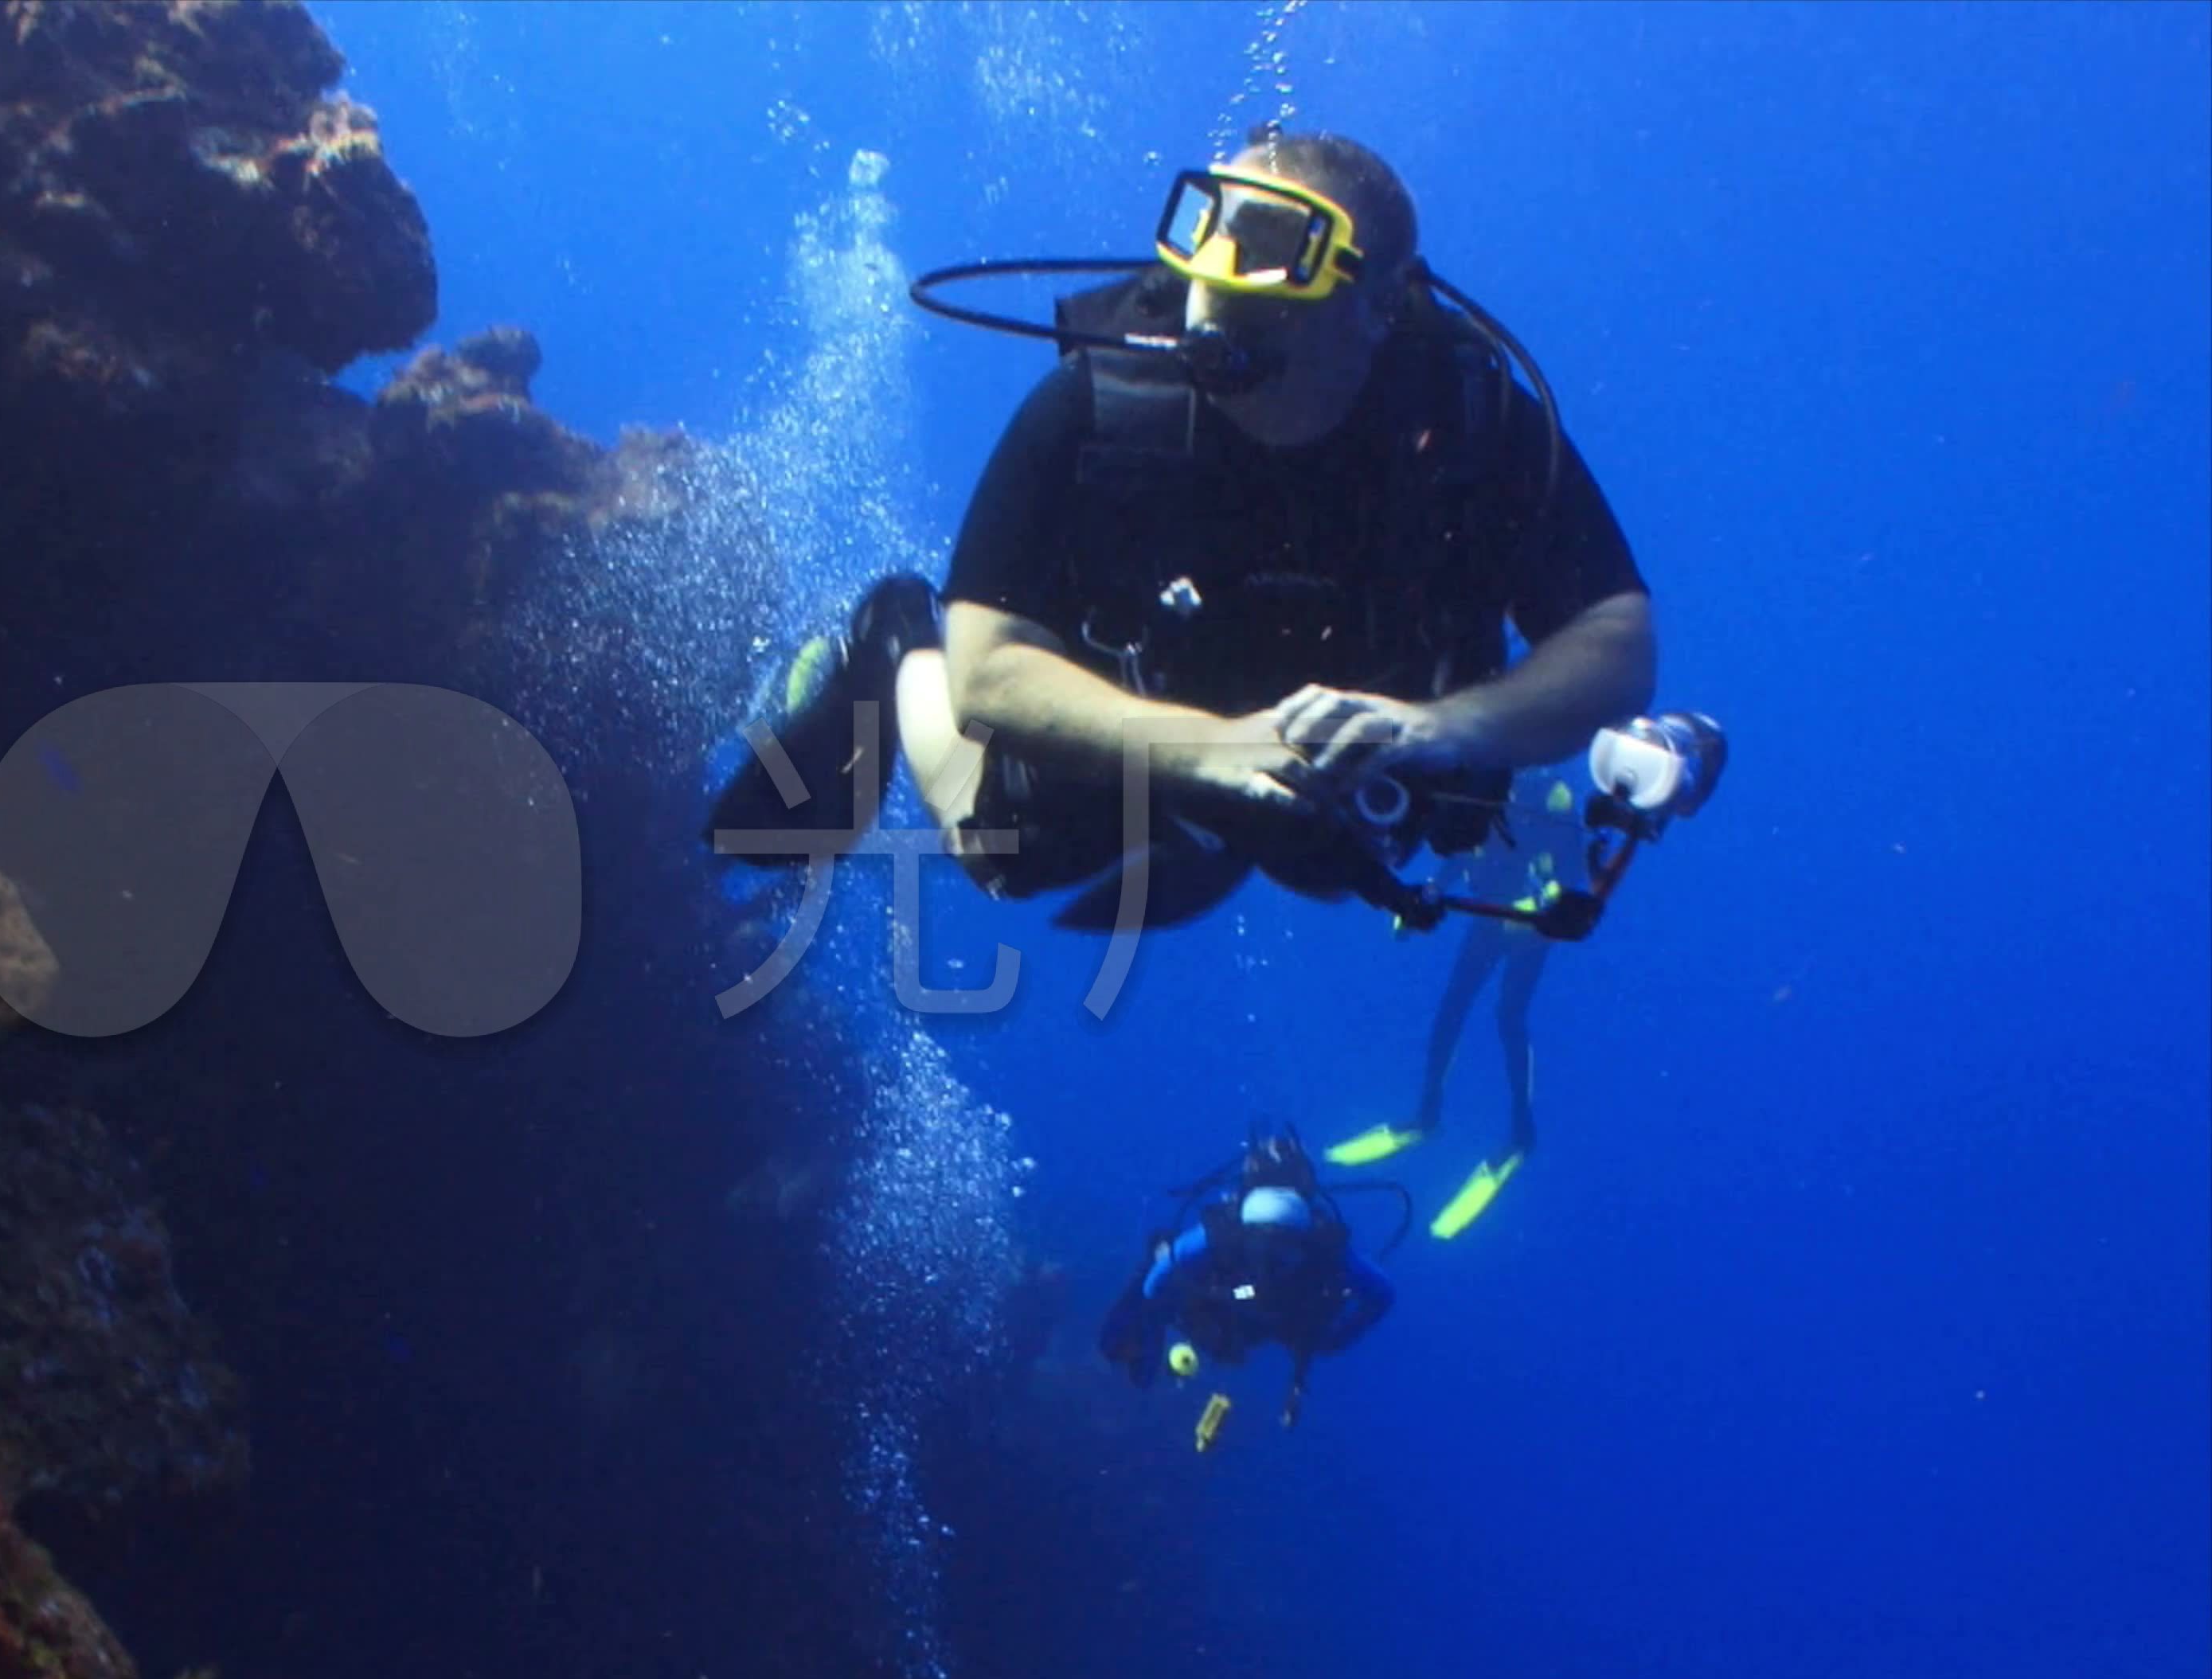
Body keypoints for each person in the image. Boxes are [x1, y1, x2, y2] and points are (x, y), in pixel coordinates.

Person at [709, 124, 1656, 935]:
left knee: (1344, 859)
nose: (1220, 284)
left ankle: (1208, 826)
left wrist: (1442, 729)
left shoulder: (1472, 424)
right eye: (1211, 235)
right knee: (1000, 850)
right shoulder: (1106, 406)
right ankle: (891, 640)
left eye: (1275, 251)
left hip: (1359, 724)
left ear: (1381, 308)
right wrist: (1213, 754)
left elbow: (1616, 641)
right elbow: (992, 668)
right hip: (1145, 696)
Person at [1325, 768, 1593, 1238]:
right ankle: (1426, 1116)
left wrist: (1537, 910)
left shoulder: (1549, 799)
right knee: (1451, 1009)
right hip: (1490, 915)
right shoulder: (1474, 786)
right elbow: (1459, 851)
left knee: (1509, 1017)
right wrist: (1421, 896)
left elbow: (1573, 877)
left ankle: (1520, 1136)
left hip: (1533, 924)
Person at [1096, 1125, 1397, 1426]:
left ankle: (1135, 1352)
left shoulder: (1223, 1231)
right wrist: (1333, 1339)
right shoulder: (1326, 1244)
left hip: (1224, 1311)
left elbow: (1159, 1278)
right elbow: (1382, 1294)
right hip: (1288, 1322)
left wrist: (1161, 1306)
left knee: (1161, 1247)